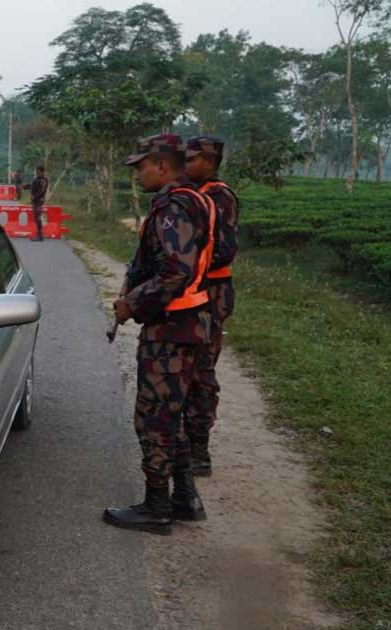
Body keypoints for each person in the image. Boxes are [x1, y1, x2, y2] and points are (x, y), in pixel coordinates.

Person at [105, 133, 217, 535]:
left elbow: (177, 270)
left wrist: (133, 303)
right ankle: (184, 497)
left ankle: (156, 506)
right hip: (187, 324)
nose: (137, 174)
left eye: (141, 166)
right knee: (174, 412)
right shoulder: (194, 199)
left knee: (154, 417)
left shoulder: (173, 206)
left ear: (162, 165)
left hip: (172, 328)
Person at [184, 136, 238, 478]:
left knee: (201, 370)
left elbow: (222, 250)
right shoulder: (195, 193)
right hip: (197, 290)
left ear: (208, 160)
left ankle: (198, 450)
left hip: (212, 292)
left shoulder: (218, 197)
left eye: (191, 159)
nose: (186, 165)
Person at [28, 166, 49, 241]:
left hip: (39, 200)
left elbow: (42, 190)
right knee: (36, 217)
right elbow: (33, 186)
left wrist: (35, 197)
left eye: (37, 171)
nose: (36, 172)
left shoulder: (43, 179)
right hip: (36, 200)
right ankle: (39, 235)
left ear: (41, 171)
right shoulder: (37, 179)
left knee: (38, 217)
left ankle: (40, 236)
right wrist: (26, 186)